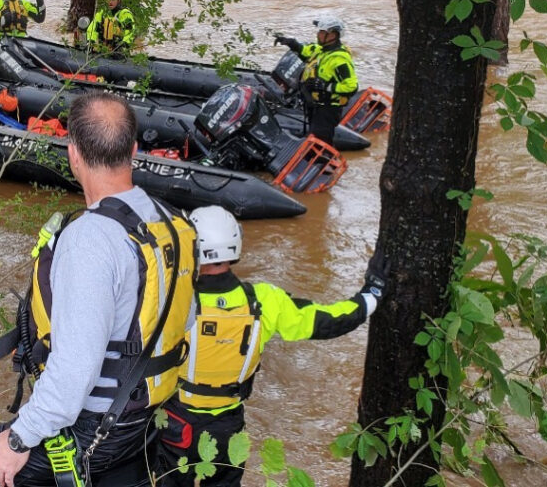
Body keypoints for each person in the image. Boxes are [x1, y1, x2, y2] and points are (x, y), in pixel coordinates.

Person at [0, 92, 197, 487]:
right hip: (144, 418)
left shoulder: (90, 241)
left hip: (94, 430)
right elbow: (184, 324)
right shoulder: (173, 225)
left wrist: (16, 440)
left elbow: (73, 373)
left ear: (73, 153)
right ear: (133, 150)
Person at [157, 205, 386, 487]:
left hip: (177, 423)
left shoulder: (173, 297)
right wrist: (371, 295)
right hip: (229, 427)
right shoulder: (265, 301)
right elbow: (328, 321)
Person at [274, 14, 359, 145]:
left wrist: (325, 86)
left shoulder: (339, 60)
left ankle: (323, 164)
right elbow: (305, 50)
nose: (318, 34)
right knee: (314, 139)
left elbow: (351, 86)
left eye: (321, 32)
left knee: (318, 143)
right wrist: (290, 43)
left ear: (332, 35)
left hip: (327, 109)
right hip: (315, 106)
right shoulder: (320, 50)